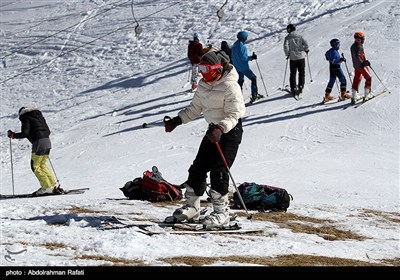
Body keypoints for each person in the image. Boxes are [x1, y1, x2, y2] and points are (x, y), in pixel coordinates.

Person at [163, 50, 245, 229]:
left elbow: (235, 113)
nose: (203, 73)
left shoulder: (231, 86)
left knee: (219, 171)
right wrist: (177, 120)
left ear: (217, 69)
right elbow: (194, 108)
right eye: (201, 68)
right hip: (212, 130)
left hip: (229, 131)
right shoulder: (203, 85)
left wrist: (221, 128)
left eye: (206, 69)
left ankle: (222, 213)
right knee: (198, 167)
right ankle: (192, 208)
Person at [7, 107, 63, 195]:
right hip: (47, 141)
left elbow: (25, 133)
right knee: (42, 165)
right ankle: (54, 185)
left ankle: (46, 187)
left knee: (35, 166)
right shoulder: (39, 116)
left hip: (38, 143)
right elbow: (48, 131)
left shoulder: (25, 117)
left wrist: (13, 135)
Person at [231, 31, 262, 103]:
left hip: (237, 67)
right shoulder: (242, 46)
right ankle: (254, 95)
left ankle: (238, 98)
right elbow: (244, 58)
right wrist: (252, 57)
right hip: (244, 67)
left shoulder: (234, 46)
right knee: (253, 78)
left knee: (240, 82)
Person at [283, 24, 309, 97]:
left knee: (293, 73)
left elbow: (285, 46)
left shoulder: (288, 37)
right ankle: (301, 86)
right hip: (301, 57)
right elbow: (305, 42)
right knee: (301, 72)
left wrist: (287, 54)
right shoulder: (300, 35)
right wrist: (306, 49)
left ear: (289, 30)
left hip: (293, 58)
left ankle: (293, 87)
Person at [323, 39, 351, 103]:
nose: (339, 46)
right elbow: (334, 61)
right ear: (335, 45)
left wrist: (331, 59)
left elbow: (327, 56)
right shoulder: (335, 52)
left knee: (332, 80)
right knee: (343, 80)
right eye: (338, 44)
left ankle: (327, 95)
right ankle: (343, 94)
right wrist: (341, 60)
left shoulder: (330, 51)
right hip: (336, 67)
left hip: (331, 67)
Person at [350, 31, 372, 104]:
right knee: (368, 77)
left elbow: (358, 56)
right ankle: (367, 94)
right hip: (361, 65)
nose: (363, 40)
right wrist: (363, 63)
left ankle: (354, 96)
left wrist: (364, 61)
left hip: (356, 66)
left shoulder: (353, 46)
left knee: (357, 78)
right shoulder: (358, 46)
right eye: (362, 39)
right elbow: (358, 56)